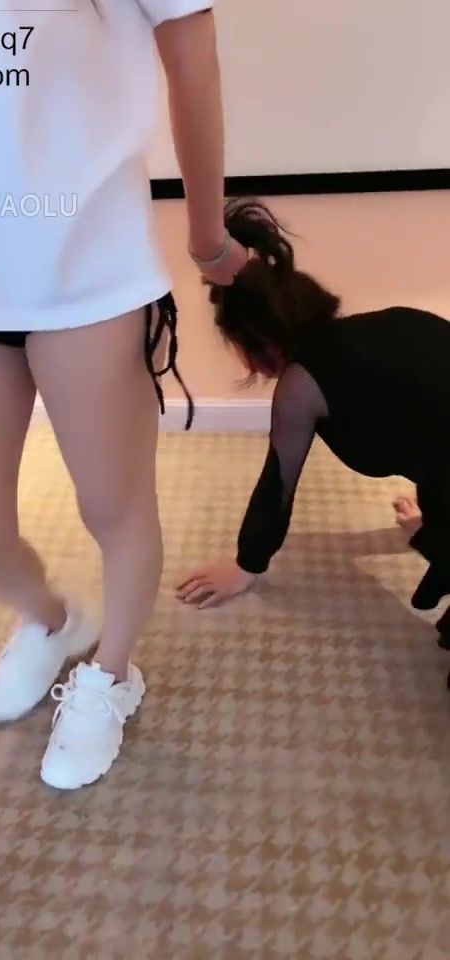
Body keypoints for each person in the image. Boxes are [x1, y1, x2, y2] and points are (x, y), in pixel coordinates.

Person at [0, 2, 247, 790]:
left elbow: (192, 62)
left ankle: (113, 673)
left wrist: (207, 236)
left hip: (86, 259)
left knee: (114, 508)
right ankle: (56, 621)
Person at [177, 198, 450, 651]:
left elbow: (278, 485)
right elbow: (431, 423)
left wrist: (246, 565)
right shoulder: (398, 321)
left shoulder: (302, 386)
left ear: (257, 344)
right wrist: (433, 523)